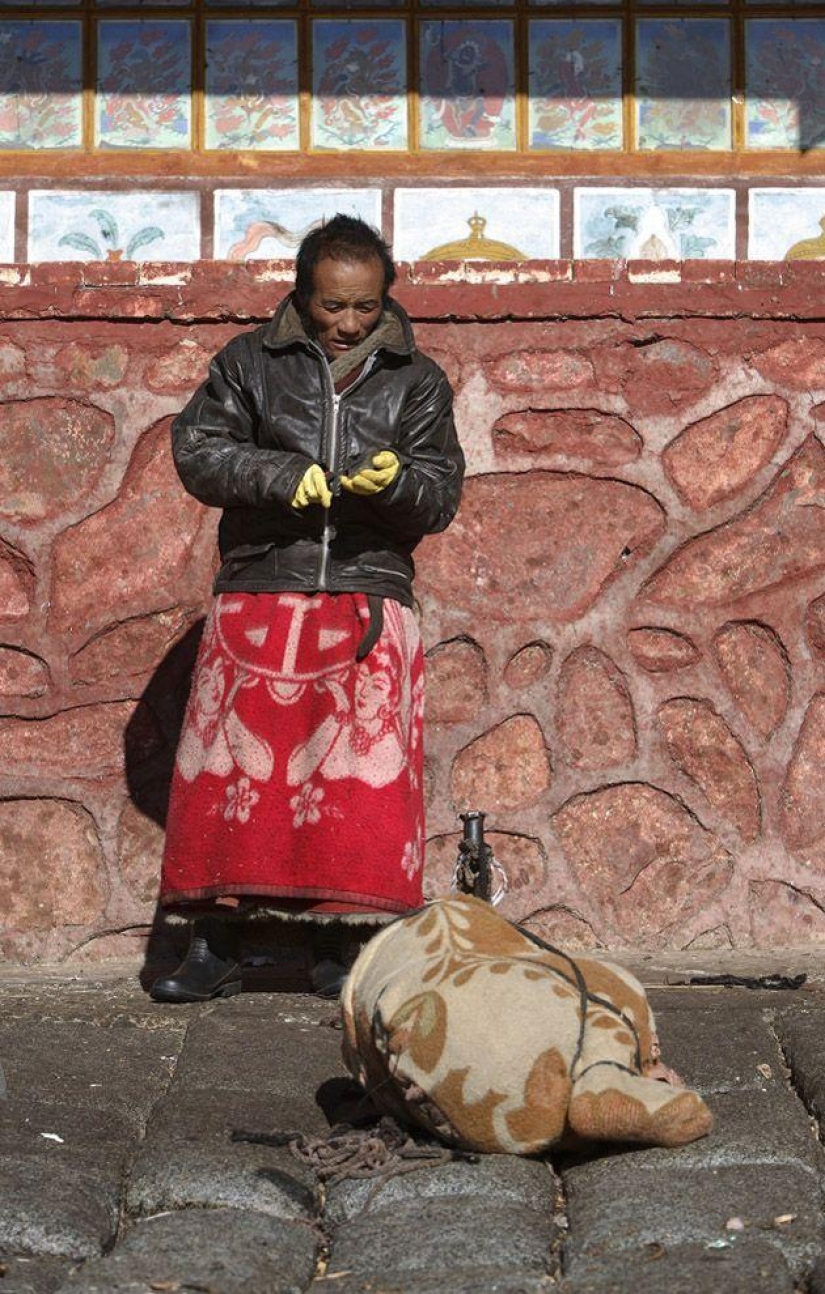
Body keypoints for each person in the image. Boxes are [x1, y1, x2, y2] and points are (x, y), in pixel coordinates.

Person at [150, 214, 465, 1004]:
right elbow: (199, 450)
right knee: (226, 781)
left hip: (366, 590)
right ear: (300, 293)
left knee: (359, 788)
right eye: (331, 307)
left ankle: (343, 949)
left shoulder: (417, 381)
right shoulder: (246, 363)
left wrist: (393, 479)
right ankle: (212, 944)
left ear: (386, 299)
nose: (347, 323)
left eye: (363, 308)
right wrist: (279, 477)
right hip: (261, 582)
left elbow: (438, 494)